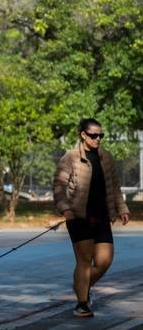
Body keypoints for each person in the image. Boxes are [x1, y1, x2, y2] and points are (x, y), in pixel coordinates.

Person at [53, 118, 130, 318]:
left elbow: (114, 186)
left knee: (104, 261)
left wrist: (122, 208)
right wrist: (65, 209)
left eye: (100, 135)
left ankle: (81, 285)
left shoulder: (106, 158)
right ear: (83, 135)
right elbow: (59, 186)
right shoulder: (70, 157)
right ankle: (82, 303)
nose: (98, 139)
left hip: (102, 215)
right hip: (79, 216)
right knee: (85, 260)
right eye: (94, 135)